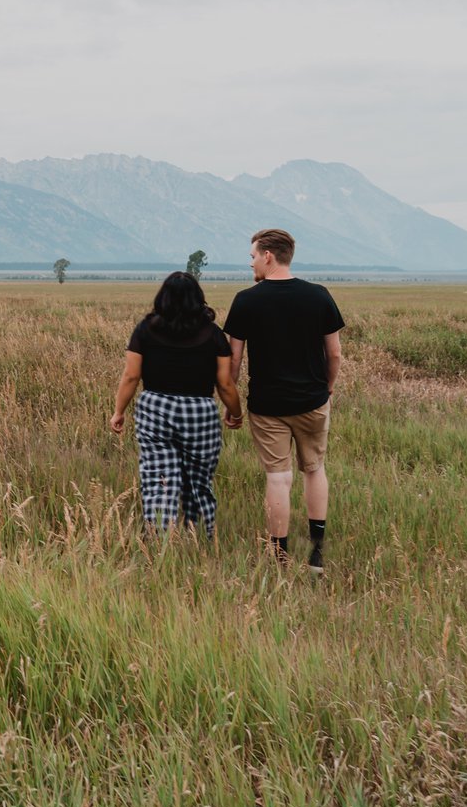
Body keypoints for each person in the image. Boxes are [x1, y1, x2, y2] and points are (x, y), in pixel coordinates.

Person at [224, 228, 345, 572]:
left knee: (278, 477)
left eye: (252, 257)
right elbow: (334, 353)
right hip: (312, 400)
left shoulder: (246, 300)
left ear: (268, 256)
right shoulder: (319, 296)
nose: (250, 264)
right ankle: (317, 553)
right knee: (314, 469)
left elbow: (233, 361)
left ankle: (279, 558)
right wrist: (329, 387)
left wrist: (231, 405)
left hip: (267, 405)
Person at [109, 271, 243, 537]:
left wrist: (119, 411)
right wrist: (236, 412)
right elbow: (225, 383)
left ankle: (159, 537)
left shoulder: (145, 329)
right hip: (200, 411)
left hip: (155, 408)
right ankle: (200, 535)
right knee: (199, 479)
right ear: (198, 299)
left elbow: (131, 375)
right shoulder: (213, 334)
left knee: (159, 477)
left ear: (164, 297)